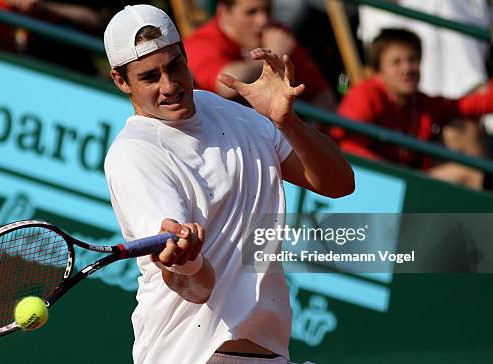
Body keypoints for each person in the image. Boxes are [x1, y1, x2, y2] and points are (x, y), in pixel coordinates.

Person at [103, 4, 354, 364]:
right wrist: (186, 264)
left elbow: (339, 183)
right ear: (120, 80)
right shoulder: (135, 155)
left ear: (186, 55)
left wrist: (289, 123)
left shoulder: (232, 113)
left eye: (175, 65)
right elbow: (196, 286)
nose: (169, 86)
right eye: (149, 77)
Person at [335, 28, 493, 189]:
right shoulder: (364, 95)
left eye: (413, 60)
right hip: (372, 187)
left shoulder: (422, 103)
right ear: (379, 71)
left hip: (408, 184)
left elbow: (479, 104)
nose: (407, 68)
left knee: (465, 129)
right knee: (466, 173)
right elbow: (346, 146)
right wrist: (397, 176)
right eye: (396, 62)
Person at [183, 0, 336, 110]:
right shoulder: (202, 41)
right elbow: (225, 85)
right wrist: (272, 54)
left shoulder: (277, 35)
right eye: (251, 12)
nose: (263, 20)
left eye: (267, 10)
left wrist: (304, 133)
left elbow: (323, 95)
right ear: (224, 13)